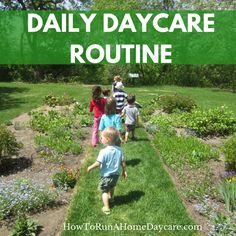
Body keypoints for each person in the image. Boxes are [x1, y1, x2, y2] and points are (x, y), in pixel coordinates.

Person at [87, 127, 127, 215]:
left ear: (107, 139)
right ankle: (112, 198)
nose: (100, 139)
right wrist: (124, 171)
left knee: (104, 191)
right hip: (115, 175)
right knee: (112, 187)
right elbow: (123, 162)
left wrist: (90, 167)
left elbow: (98, 163)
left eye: (101, 137)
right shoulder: (119, 150)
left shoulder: (103, 151)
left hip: (106, 176)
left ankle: (106, 207)